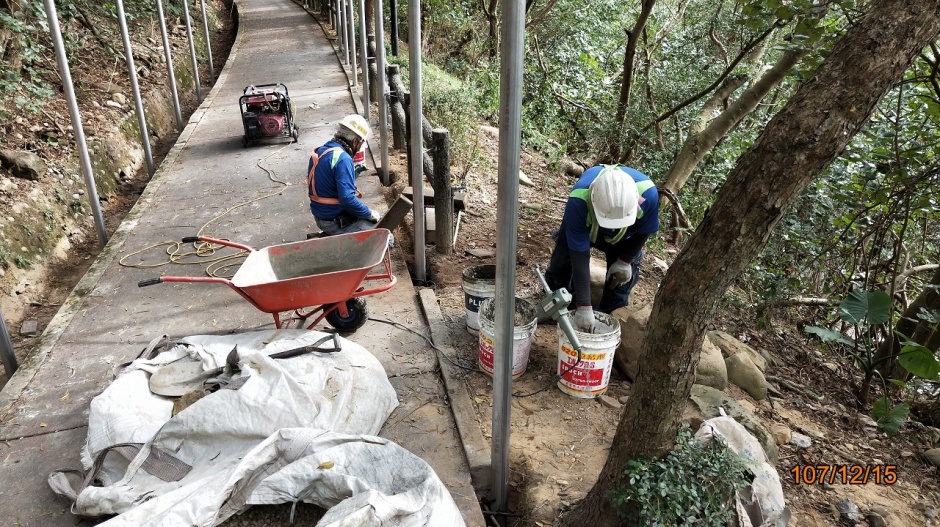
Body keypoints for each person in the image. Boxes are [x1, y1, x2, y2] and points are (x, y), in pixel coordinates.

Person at [544, 164, 659, 332]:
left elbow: (644, 231)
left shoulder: (649, 194)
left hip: (626, 236)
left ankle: (608, 320)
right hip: (588, 225)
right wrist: (584, 305)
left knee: (620, 283)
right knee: (562, 263)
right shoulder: (578, 201)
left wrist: (625, 260)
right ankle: (560, 307)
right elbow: (579, 255)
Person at [307, 114, 380, 236]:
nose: (359, 148)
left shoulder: (322, 150)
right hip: (333, 220)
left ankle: (331, 236)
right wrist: (369, 213)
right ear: (356, 141)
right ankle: (335, 240)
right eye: (361, 144)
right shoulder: (343, 159)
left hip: (320, 215)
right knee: (385, 236)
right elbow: (347, 199)